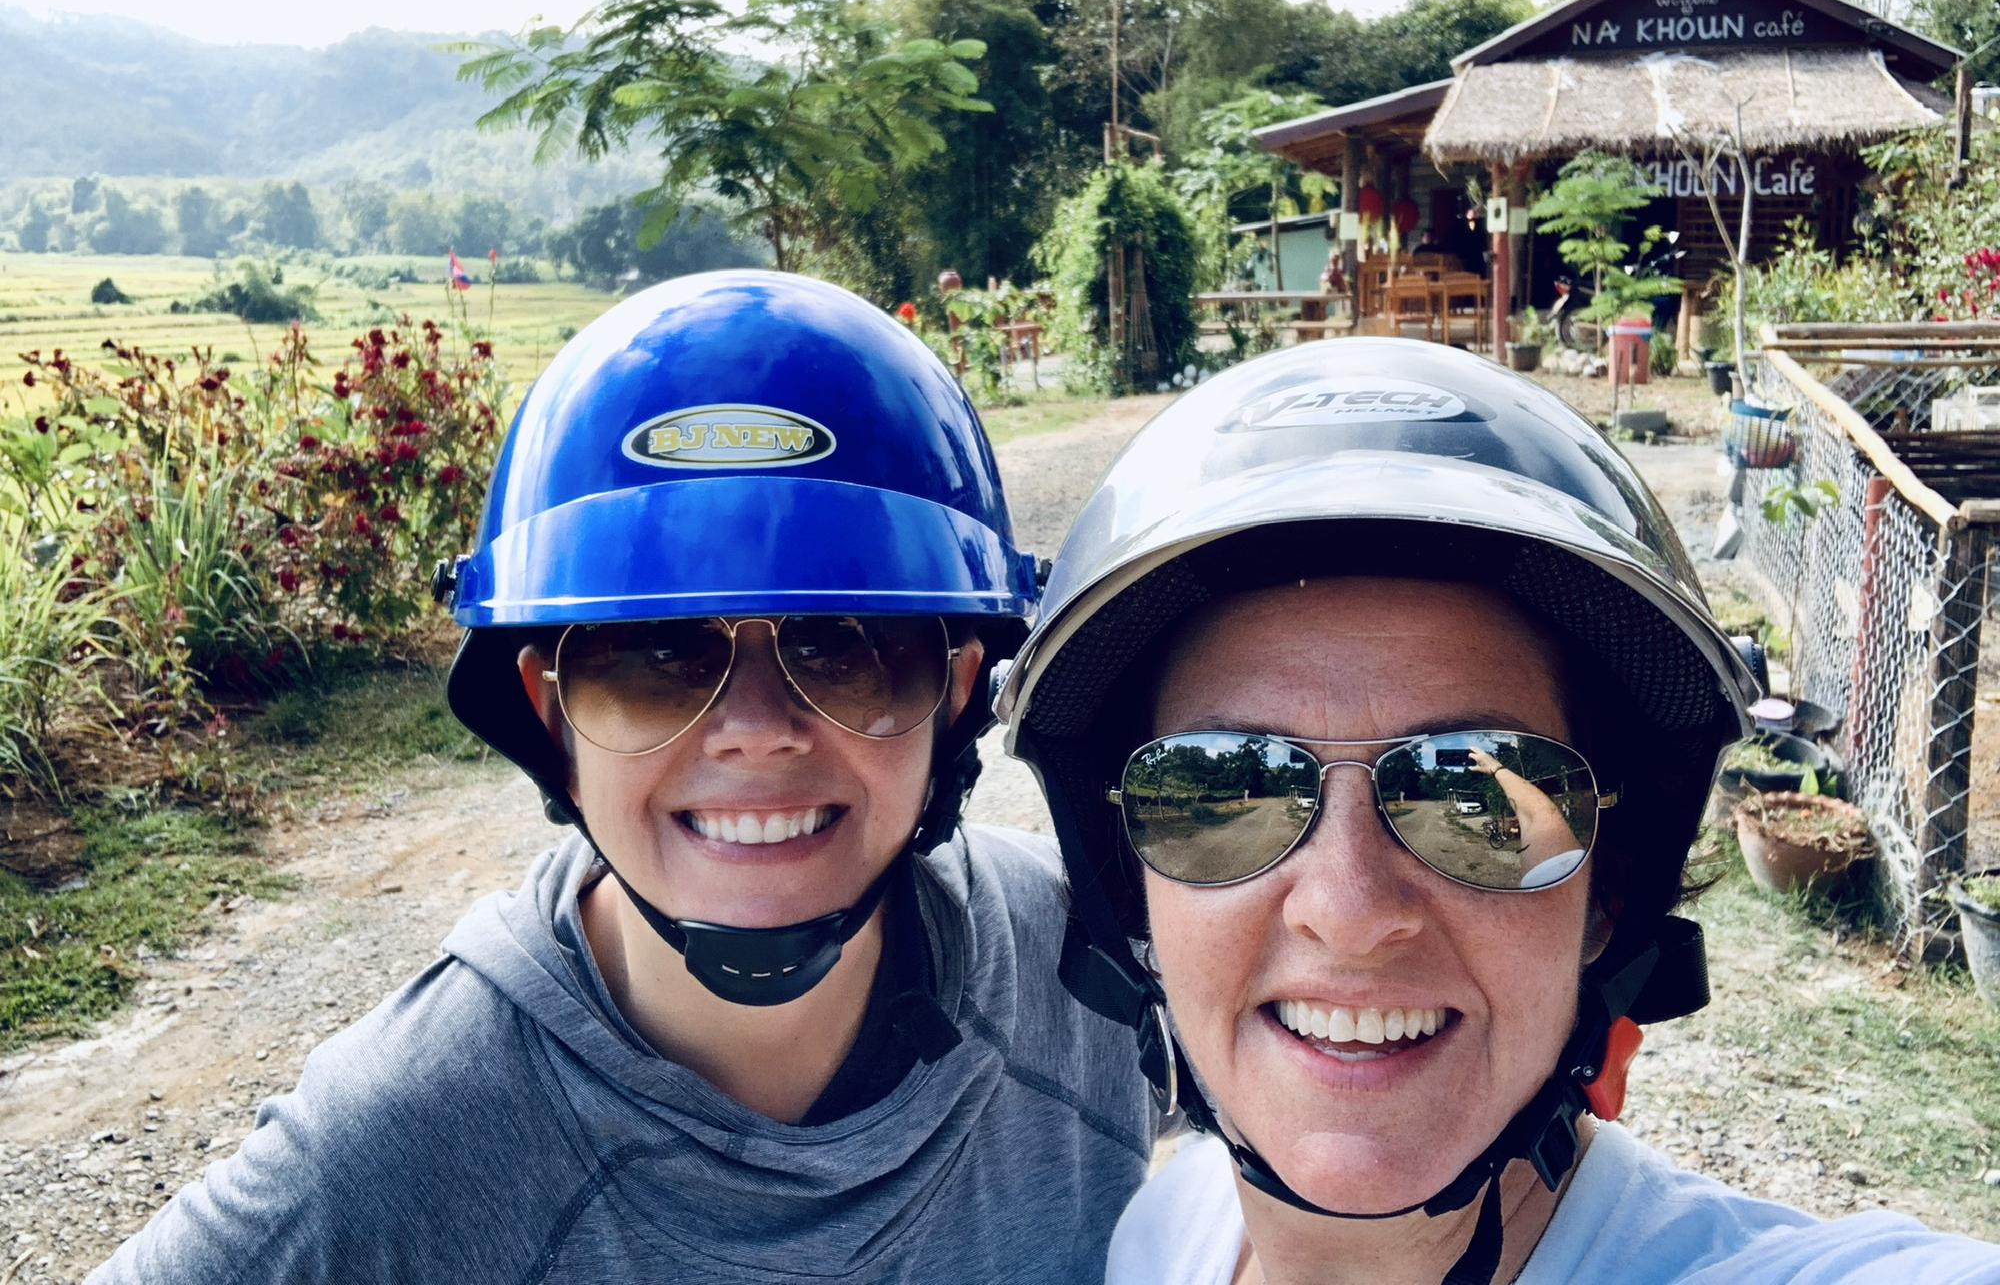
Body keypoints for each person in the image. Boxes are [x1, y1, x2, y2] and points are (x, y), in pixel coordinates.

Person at [91, 271, 1155, 1283]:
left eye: (844, 646)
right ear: (549, 713)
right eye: (655, 655)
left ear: (958, 691)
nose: (754, 733)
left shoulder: (1086, 972)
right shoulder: (402, 1144)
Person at [998, 339, 2000, 1285]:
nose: (1348, 911)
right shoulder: (1162, 1235)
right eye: (1225, 788)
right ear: (1128, 890)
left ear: (1606, 894)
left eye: (1469, 791)